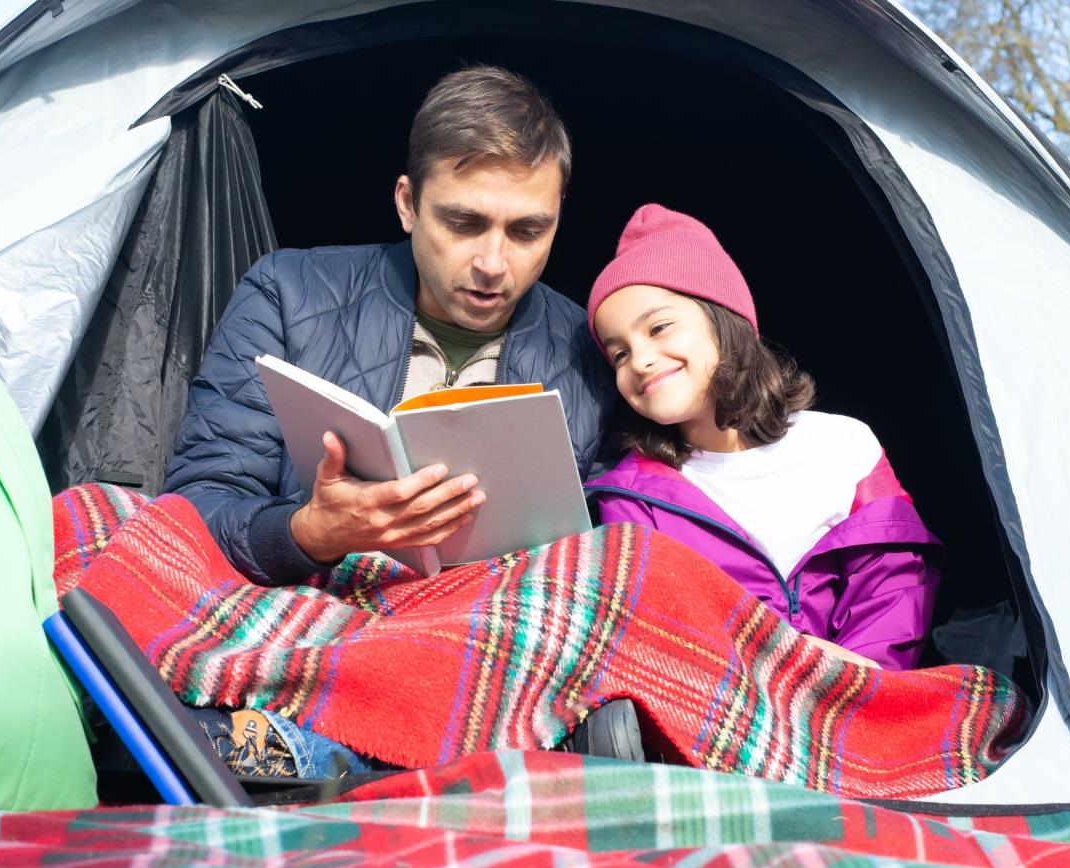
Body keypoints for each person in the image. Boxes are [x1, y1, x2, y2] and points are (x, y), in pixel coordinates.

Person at [163, 66, 614, 586]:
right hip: (310, 621)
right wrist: (310, 534)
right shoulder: (288, 295)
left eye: (527, 231)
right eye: (464, 223)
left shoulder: (594, 352)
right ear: (407, 204)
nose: (493, 262)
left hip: (495, 637)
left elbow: (620, 542)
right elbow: (195, 506)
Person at [585, 205, 942, 671]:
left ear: (724, 320)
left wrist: (860, 676)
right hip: (720, 709)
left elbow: (894, 582)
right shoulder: (632, 497)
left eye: (658, 328)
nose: (642, 360)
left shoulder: (844, 448)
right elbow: (660, 631)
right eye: (619, 354)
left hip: (861, 698)